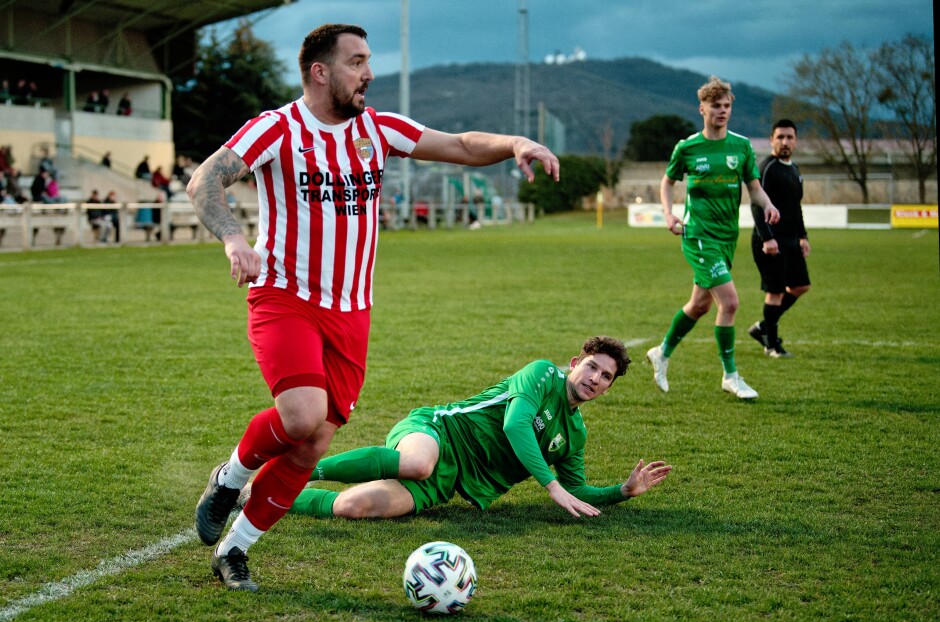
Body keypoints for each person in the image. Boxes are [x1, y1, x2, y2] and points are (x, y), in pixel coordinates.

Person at [188, 23, 560, 592]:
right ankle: (230, 476)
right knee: (301, 418)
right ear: (320, 71)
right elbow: (205, 180)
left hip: (351, 313)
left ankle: (234, 550)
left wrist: (513, 144)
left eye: (367, 61)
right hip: (285, 296)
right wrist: (234, 238)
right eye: (356, 62)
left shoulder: (378, 128)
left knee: (312, 444)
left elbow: (459, 145)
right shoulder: (277, 128)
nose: (368, 73)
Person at [239, 336, 671, 531]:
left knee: (353, 507)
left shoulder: (573, 437)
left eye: (605, 376)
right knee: (417, 463)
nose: (595, 377)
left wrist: (622, 491)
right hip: (437, 431)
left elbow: (580, 492)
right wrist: (550, 486)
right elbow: (515, 424)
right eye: (591, 366)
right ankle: (302, 470)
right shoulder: (541, 375)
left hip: (450, 483)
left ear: (609, 388)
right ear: (574, 362)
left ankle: (260, 496)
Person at [646, 76, 779, 400]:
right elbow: (667, 182)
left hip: (726, 238)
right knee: (730, 301)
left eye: (727, 106)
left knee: (700, 305)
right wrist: (668, 212)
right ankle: (731, 376)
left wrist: (769, 203)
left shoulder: (741, 146)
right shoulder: (688, 147)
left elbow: (754, 188)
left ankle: (661, 353)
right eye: (716, 106)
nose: (722, 111)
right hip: (698, 236)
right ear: (701, 108)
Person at [747, 119, 810, 358]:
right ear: (772, 139)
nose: (785, 142)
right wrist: (767, 239)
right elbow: (756, 204)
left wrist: (803, 236)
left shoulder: (794, 169)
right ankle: (772, 345)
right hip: (770, 240)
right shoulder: (767, 168)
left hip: (791, 239)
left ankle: (764, 326)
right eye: (780, 137)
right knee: (775, 292)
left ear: (795, 141)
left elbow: (796, 207)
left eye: (790, 137)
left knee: (800, 286)